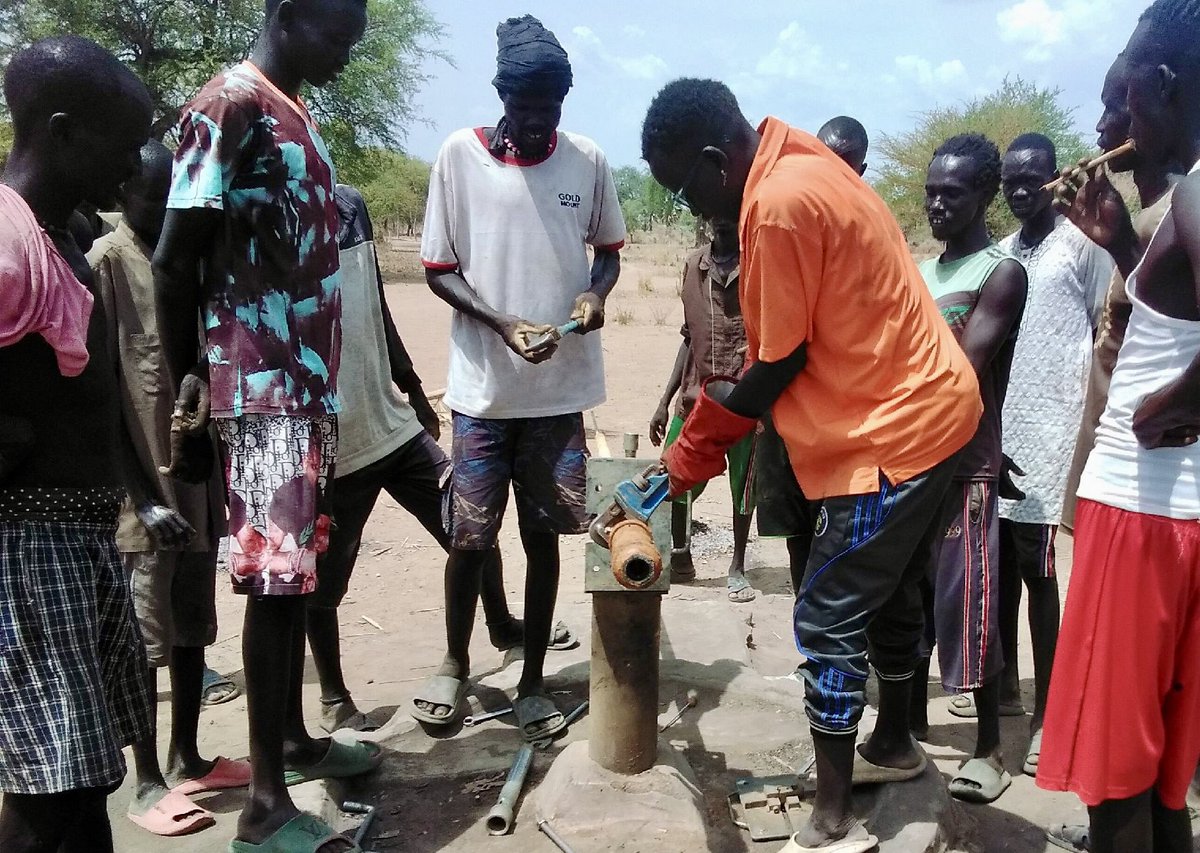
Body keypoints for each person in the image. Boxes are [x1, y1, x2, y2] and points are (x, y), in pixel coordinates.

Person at [642, 78, 982, 853]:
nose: (695, 211)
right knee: (889, 590)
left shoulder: (779, 203)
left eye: (687, 190)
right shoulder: (797, 156)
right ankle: (892, 744)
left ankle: (832, 823)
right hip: (932, 409)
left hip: (891, 432)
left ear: (711, 159)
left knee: (827, 613)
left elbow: (775, 364)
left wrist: (682, 462)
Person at [154, 0, 377, 848]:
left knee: (296, 580)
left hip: (301, 387)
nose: (347, 56)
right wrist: (190, 383)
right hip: (260, 384)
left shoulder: (291, 109)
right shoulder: (227, 107)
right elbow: (176, 258)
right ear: (289, 15)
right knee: (276, 588)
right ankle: (264, 808)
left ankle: (290, 739)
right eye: (337, 37)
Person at [418, 15, 625, 741]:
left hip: (558, 395)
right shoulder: (458, 158)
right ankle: (453, 662)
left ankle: (534, 680)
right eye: (527, 105)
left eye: (552, 107)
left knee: (543, 538)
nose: (539, 120)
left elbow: (608, 252)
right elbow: (438, 270)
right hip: (482, 392)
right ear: (503, 96)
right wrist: (504, 324)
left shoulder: (587, 161)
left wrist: (596, 296)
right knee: (469, 539)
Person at [311, 184, 574, 734]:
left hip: (390, 425)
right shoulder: (281, 219)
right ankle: (334, 696)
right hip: (332, 444)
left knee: (468, 529)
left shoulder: (351, 207)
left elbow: (374, 306)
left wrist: (409, 385)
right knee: (325, 579)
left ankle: (500, 627)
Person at [1035, 3, 1200, 851]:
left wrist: (1172, 405)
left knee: (1117, 790)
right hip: (1183, 519)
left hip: (1139, 516)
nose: (1121, 125)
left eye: (1129, 98)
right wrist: (1121, 244)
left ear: (1163, 86)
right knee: (1168, 784)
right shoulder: (1181, 203)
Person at [0, 36, 153, 853]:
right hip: (28, 545)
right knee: (45, 784)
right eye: (123, 143)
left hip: (78, 537)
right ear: (63, 132)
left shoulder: (63, 234)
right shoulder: (8, 242)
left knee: (84, 769)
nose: (134, 164)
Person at [90, 140, 251, 837]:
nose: (166, 214)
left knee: (192, 628)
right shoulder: (107, 265)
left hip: (193, 484)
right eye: (156, 201)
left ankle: (188, 753)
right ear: (127, 192)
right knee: (143, 639)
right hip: (143, 496)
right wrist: (140, 495)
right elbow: (98, 396)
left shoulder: (181, 265)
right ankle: (146, 776)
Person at [954, 133, 1111, 776]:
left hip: (1053, 438)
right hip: (1000, 437)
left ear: (1054, 180)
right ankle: (1009, 694)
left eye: (1034, 180)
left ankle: (1050, 712)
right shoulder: (1002, 257)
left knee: (1040, 577)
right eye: (1012, 181)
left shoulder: (1085, 248)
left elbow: (1108, 332)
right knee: (997, 576)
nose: (1023, 191)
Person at [913, 133, 1028, 804]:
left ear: (984, 197)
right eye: (931, 192)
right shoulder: (921, 273)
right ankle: (907, 730)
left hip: (966, 465)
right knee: (913, 602)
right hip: (911, 462)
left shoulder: (1000, 273)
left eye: (951, 195)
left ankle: (989, 748)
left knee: (970, 603)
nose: (936, 204)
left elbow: (964, 367)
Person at [1061, 53, 1185, 532]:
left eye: (1118, 106)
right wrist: (1119, 244)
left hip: (1146, 476)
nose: (1102, 124)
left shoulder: (1179, 213)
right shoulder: (1146, 217)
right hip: (1115, 455)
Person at [754, 116, 869, 596]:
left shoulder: (866, 228)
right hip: (786, 415)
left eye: (843, 163)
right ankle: (811, 646)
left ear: (861, 168)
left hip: (843, 423)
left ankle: (836, 653)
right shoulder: (784, 219)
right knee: (799, 537)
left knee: (843, 544)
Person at [649, 216, 757, 602]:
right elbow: (688, 339)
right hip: (695, 398)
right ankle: (681, 554)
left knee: (744, 487)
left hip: (747, 401)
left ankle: (737, 566)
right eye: (714, 214)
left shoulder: (760, 264)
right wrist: (664, 401)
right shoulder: (694, 265)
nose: (721, 221)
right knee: (674, 474)